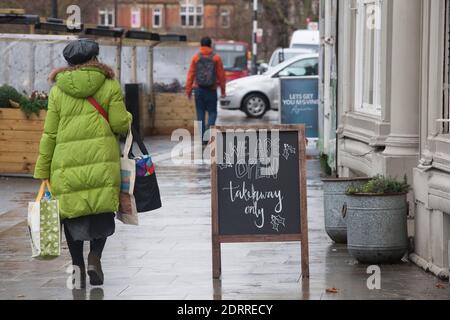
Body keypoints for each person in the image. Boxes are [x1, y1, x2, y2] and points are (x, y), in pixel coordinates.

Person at [34, 39, 132, 288]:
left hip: (66, 166)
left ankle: (77, 265)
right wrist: (127, 115)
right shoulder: (110, 85)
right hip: (102, 163)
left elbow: (50, 134)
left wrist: (43, 169)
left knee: (72, 215)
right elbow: (121, 125)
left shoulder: (57, 91)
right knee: (101, 212)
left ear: (68, 63)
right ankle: (94, 257)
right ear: (96, 58)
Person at [186, 37, 226, 144]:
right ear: (210, 45)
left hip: (198, 90)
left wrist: (189, 90)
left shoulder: (195, 58)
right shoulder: (216, 58)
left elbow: (190, 74)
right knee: (212, 113)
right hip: (211, 90)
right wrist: (223, 90)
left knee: (200, 114)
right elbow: (221, 75)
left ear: (201, 45)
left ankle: (202, 139)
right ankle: (208, 133)